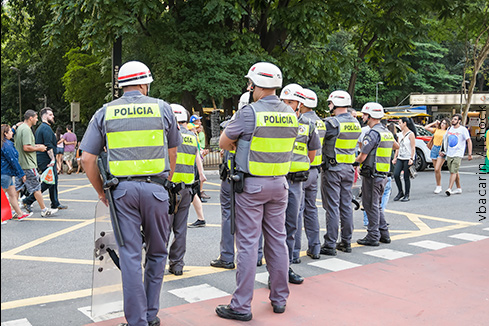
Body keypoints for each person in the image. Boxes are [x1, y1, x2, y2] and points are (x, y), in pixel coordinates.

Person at [80, 60, 181, 326]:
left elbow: (87, 158)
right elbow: (172, 152)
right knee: (158, 253)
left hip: (121, 193)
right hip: (157, 190)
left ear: (121, 85)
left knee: (131, 258)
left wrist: (102, 192)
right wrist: (164, 180)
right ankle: (151, 315)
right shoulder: (163, 109)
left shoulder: (105, 113)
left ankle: (137, 322)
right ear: (145, 83)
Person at [216, 62, 298, 321]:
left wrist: (240, 144)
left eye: (250, 84)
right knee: (278, 242)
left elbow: (223, 142)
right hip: (280, 184)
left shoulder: (250, 112)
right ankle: (279, 298)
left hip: (252, 186)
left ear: (255, 86)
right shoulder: (290, 112)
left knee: (249, 245)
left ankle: (241, 305)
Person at [278, 83, 320, 284]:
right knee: (269, 226)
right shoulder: (276, 122)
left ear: (299, 104)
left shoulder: (309, 125)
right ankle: (271, 266)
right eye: (283, 101)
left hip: (295, 182)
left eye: (290, 102)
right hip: (276, 179)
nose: (286, 105)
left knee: (291, 224)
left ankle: (286, 267)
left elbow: (311, 155)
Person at [210, 92, 250, 270]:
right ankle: (256, 255)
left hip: (231, 177)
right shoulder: (260, 123)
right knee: (254, 218)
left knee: (228, 215)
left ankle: (227, 256)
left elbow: (223, 145)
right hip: (254, 177)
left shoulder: (232, 123)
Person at [320, 90, 361, 256]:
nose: (329, 106)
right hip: (348, 169)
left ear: (335, 104)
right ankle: (346, 241)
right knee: (346, 206)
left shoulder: (332, 123)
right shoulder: (356, 123)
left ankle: (330, 244)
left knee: (332, 207)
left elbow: (318, 139)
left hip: (333, 169)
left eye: (330, 103)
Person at [354, 103, 398, 246]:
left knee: (370, 206)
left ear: (371, 116)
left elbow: (362, 156)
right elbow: (396, 146)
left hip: (372, 175)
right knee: (376, 205)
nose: (363, 117)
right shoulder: (386, 132)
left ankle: (373, 236)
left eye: (365, 115)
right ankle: (384, 234)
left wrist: (353, 162)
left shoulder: (373, 133)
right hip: (383, 174)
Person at [293, 88, 326, 263]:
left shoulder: (300, 122)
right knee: (311, 209)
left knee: (296, 212)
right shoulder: (321, 122)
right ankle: (315, 247)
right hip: (315, 170)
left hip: (300, 170)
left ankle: (294, 252)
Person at [168, 104, 200, 276]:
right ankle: (177, 264)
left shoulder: (168, 135)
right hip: (186, 189)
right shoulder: (192, 137)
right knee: (180, 229)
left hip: (169, 189)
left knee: (163, 229)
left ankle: (155, 263)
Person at [22, 107, 67, 211]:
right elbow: (48, 146)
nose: (53, 116)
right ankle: (28, 200)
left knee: (53, 181)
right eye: (50, 115)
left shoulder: (43, 128)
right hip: (46, 159)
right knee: (48, 182)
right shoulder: (45, 128)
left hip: (44, 158)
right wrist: (52, 160)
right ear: (45, 116)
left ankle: (55, 203)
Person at [14, 110, 58, 217]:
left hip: (20, 163)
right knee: (36, 188)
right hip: (28, 163)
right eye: (35, 117)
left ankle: (15, 211)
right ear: (30, 118)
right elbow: (26, 147)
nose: (37, 119)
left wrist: (37, 146)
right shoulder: (26, 130)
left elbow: (27, 144)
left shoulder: (20, 128)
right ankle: (44, 210)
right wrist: (40, 148)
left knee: (17, 188)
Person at [1, 124, 32, 221]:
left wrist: (14, 127)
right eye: (10, 131)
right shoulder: (7, 145)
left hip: (7, 173)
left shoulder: (4, 142)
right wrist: (21, 174)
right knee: (3, 196)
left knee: (13, 194)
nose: (12, 133)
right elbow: (13, 160)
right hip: (5, 173)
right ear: (5, 134)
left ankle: (19, 214)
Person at [440, 113, 473, 196]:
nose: (453, 120)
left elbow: (469, 141)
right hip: (450, 153)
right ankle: (458, 188)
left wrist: (469, 153)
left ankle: (449, 188)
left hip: (458, 153)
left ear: (459, 121)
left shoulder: (463, 130)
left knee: (453, 171)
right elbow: (445, 141)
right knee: (454, 171)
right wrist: (443, 150)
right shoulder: (450, 129)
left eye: (455, 119)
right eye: (453, 119)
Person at [187, 123, 208, 228]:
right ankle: (201, 218)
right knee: (193, 193)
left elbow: (197, 156)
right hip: (192, 167)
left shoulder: (189, 138)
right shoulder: (194, 138)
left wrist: (201, 173)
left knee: (192, 193)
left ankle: (201, 218)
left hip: (189, 168)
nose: (194, 130)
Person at [392, 117, 417, 202]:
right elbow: (398, 147)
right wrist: (395, 157)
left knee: (406, 176)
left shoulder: (411, 134)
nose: (399, 125)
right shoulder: (399, 134)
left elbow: (413, 147)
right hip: (400, 157)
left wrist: (411, 158)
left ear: (405, 123)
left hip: (407, 158)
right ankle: (400, 192)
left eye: (400, 123)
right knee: (396, 174)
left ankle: (407, 194)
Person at [424, 119, 450, 193]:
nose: (442, 124)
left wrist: (445, 152)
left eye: (444, 123)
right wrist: (434, 123)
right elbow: (426, 127)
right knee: (436, 170)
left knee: (437, 168)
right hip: (434, 148)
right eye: (442, 123)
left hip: (441, 149)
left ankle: (439, 186)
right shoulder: (436, 130)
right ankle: (438, 185)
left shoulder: (447, 132)